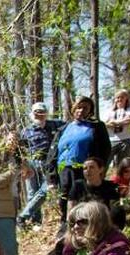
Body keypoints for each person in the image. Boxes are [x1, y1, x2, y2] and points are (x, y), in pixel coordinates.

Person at [46, 95, 111, 232]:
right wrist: (51, 177)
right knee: (66, 198)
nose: (81, 111)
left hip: (85, 170)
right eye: (78, 107)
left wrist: (99, 170)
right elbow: (53, 153)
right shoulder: (63, 129)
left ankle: (90, 227)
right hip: (64, 170)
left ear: (90, 111)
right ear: (73, 108)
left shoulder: (97, 127)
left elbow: (105, 149)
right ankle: (67, 227)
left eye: (85, 108)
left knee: (85, 198)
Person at [18, 102, 64, 227]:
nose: (39, 114)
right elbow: (21, 150)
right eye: (36, 112)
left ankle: (23, 215)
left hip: (49, 163)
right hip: (31, 163)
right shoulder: (26, 131)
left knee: (46, 189)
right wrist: (24, 166)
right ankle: (35, 222)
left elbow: (70, 126)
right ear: (32, 114)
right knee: (32, 192)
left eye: (42, 112)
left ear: (46, 113)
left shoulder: (56, 125)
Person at [104, 90, 130, 168]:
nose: (119, 99)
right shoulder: (110, 111)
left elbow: (129, 121)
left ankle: (120, 180)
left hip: (125, 140)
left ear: (126, 98)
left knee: (123, 166)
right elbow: (105, 124)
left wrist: (113, 122)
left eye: (122, 97)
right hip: (111, 140)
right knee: (104, 163)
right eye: (117, 98)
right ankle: (100, 179)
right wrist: (121, 122)